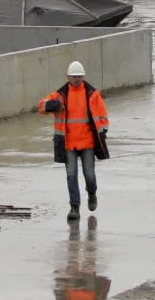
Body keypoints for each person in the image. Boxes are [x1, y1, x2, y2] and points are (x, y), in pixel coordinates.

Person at [39, 61, 110, 221]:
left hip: (88, 143)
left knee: (89, 175)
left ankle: (92, 194)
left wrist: (103, 131)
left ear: (83, 77)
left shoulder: (92, 94)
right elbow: (41, 106)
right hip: (68, 144)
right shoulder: (60, 95)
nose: (77, 79)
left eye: (79, 76)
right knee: (71, 175)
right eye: (74, 76)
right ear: (68, 77)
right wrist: (53, 105)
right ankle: (74, 208)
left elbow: (103, 116)